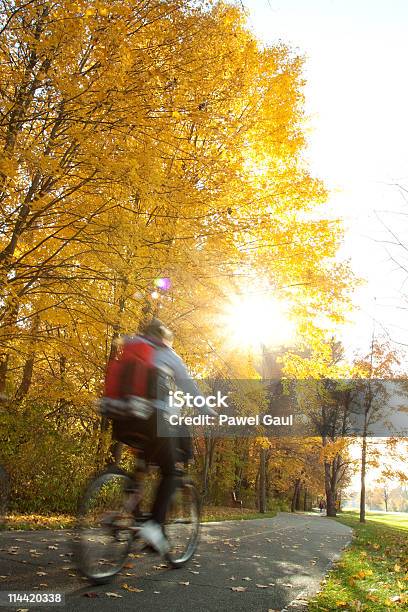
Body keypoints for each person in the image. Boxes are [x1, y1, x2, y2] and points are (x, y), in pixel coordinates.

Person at [111, 318, 215, 555]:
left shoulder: (128, 345)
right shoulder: (168, 354)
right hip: (152, 419)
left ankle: (132, 516)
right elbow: (189, 389)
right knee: (170, 470)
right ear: (163, 335)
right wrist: (207, 410)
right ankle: (154, 526)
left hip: (122, 418)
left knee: (142, 465)